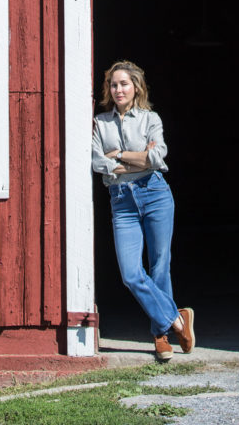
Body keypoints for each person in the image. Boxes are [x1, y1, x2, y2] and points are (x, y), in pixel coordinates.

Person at [92, 59, 195, 361]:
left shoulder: (151, 119)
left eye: (124, 83)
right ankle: (176, 320)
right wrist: (137, 158)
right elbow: (99, 162)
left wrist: (121, 155)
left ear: (136, 87)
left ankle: (160, 337)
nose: (118, 89)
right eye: (114, 84)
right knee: (131, 273)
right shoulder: (100, 123)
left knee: (160, 265)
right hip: (121, 200)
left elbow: (157, 157)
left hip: (155, 193)